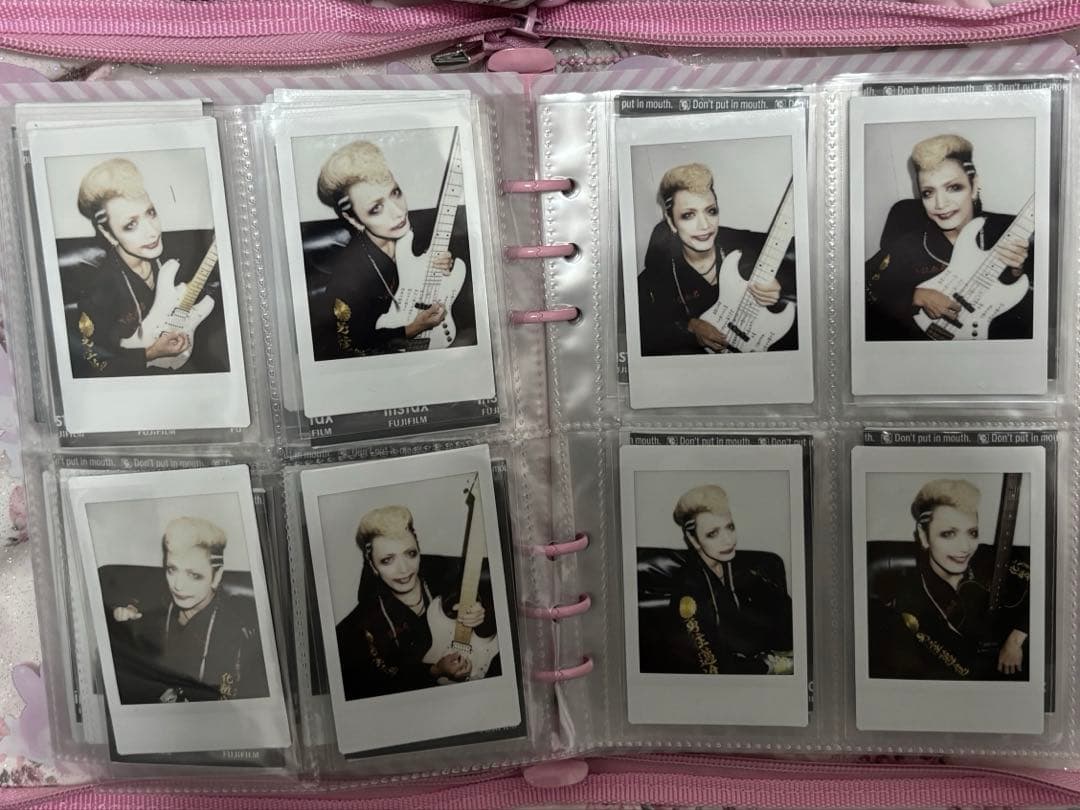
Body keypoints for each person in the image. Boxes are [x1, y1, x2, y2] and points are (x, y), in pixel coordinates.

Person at [865, 134, 1034, 341]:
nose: (940, 204)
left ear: (974, 186)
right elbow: (866, 288)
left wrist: (1016, 271)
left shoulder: (1007, 231)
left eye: (953, 188)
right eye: (928, 193)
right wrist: (916, 296)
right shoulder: (907, 245)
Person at [311, 140, 470, 359]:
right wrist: (413, 328)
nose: (398, 212)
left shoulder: (422, 231)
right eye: (376, 208)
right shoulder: (347, 279)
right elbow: (347, 345)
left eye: (395, 193)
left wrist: (444, 269)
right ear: (353, 219)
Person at [67, 158, 226, 377]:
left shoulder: (179, 250)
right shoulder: (98, 293)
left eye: (150, 213)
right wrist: (151, 353)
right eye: (131, 225)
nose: (152, 232)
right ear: (107, 233)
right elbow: (93, 362)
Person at [868, 479, 1030, 680]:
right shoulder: (909, 600)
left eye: (972, 533)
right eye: (949, 534)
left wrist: (1015, 639)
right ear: (924, 536)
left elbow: (1047, 584)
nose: (965, 547)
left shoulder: (990, 558)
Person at [334, 505, 499, 700]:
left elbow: (491, 594)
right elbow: (382, 687)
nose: (404, 569)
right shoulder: (358, 628)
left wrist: (480, 610)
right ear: (373, 565)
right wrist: (436, 670)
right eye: (387, 560)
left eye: (410, 553)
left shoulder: (442, 570)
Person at [636, 163, 798, 356]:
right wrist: (689, 327)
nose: (705, 225)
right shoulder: (656, 276)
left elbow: (801, 258)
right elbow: (648, 332)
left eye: (711, 211)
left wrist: (782, 286)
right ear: (671, 222)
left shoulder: (742, 243)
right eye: (689, 215)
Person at [107, 517, 269, 704]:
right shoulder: (159, 606)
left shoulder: (237, 633)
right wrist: (125, 610)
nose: (178, 585)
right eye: (172, 569)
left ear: (216, 576)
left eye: (194, 575)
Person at [638, 485, 794, 676]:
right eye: (713, 533)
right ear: (693, 539)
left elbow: (787, 614)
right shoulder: (688, 595)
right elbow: (712, 667)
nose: (728, 540)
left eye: (730, 527)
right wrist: (770, 665)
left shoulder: (742, 570)